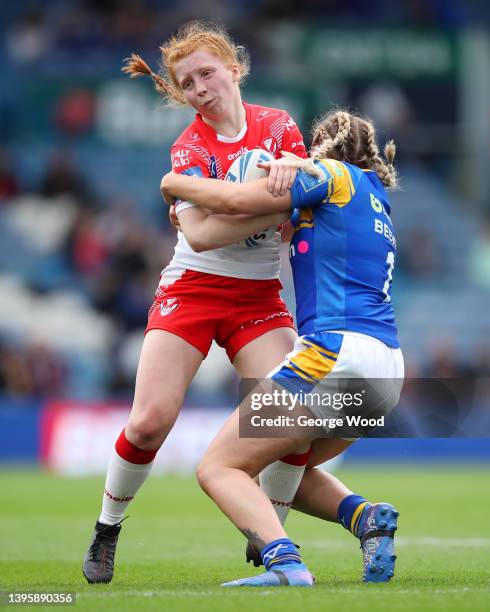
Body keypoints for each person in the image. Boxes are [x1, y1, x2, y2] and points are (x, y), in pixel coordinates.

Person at [82, 20, 314, 584]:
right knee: (148, 423)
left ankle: (269, 531)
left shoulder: (279, 125)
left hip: (258, 295)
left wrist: (281, 189)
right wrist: (280, 204)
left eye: (207, 73)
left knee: (295, 420)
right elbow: (203, 238)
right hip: (193, 290)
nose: (200, 88)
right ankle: (107, 528)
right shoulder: (187, 147)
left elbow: (313, 193)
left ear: (234, 70)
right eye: (187, 83)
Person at [161, 109, 405, 586]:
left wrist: (177, 183)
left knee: (219, 466)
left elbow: (233, 198)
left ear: (322, 148)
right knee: (277, 464)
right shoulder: (373, 194)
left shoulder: (328, 175)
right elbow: (276, 217)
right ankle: (366, 519)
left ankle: (284, 563)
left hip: (334, 355)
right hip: (387, 369)